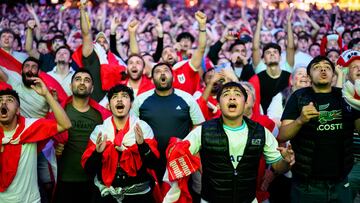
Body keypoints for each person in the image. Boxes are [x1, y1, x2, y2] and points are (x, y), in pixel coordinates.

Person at [162, 82, 294, 203]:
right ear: (218, 104)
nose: (232, 98)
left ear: (245, 102)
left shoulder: (261, 132)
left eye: (237, 94)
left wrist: (286, 162)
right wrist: (200, 166)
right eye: (226, 95)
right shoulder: (203, 131)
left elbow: (278, 166)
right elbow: (180, 153)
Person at [278, 56, 360, 203]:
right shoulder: (298, 97)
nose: (323, 69)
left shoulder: (346, 96)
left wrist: (359, 108)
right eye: (317, 67)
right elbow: (282, 135)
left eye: (327, 67)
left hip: (341, 183)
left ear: (333, 74)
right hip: (307, 186)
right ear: (309, 76)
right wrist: (300, 120)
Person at [81, 84, 160, 203]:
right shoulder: (100, 132)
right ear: (108, 105)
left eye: (124, 96)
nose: (119, 99)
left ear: (131, 104)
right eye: (114, 97)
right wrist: (97, 153)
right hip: (105, 198)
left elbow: (154, 165)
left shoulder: (143, 128)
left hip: (138, 197)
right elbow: (88, 170)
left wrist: (142, 145)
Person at [0, 79, 71, 203]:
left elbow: (65, 124)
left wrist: (46, 95)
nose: (3, 103)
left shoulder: (30, 126)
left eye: (9, 100)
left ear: (18, 110)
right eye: (0, 101)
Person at [132, 62, 205, 181]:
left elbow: (198, 126)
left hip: (180, 161)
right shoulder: (140, 100)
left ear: (173, 76)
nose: (162, 73)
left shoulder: (187, 98)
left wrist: (186, 147)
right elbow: (132, 126)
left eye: (166, 70)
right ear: (152, 79)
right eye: (157, 71)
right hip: (148, 160)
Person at [53, 69, 111, 203]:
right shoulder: (60, 112)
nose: (82, 83)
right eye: (78, 79)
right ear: (70, 85)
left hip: (93, 181)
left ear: (92, 88)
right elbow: (46, 140)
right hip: (64, 180)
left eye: (87, 80)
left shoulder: (101, 115)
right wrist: (54, 148)